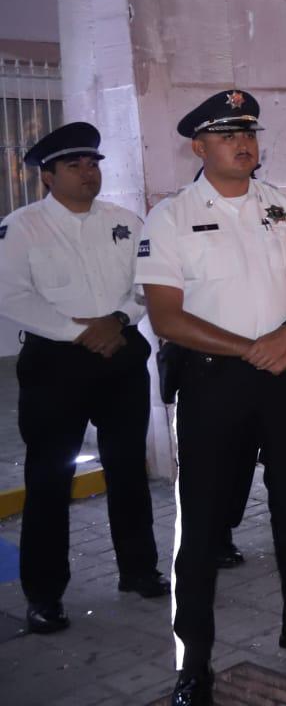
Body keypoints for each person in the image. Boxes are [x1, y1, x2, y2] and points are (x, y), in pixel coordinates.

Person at [135, 90, 286, 706]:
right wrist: (250, 348)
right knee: (202, 523)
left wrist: (285, 335)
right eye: (228, 133)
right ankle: (194, 663)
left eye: (249, 133)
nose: (244, 143)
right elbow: (166, 316)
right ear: (199, 146)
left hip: (285, 372)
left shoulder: (285, 208)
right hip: (213, 382)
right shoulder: (172, 217)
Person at [0, 122, 165, 636]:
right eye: (74, 166)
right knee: (49, 480)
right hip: (56, 363)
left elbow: (149, 282)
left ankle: (138, 569)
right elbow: (10, 295)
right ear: (47, 176)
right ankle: (45, 594)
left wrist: (115, 321)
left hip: (120, 353)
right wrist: (78, 334)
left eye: (93, 164)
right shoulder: (21, 227)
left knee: (127, 469)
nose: (88, 173)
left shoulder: (124, 221)